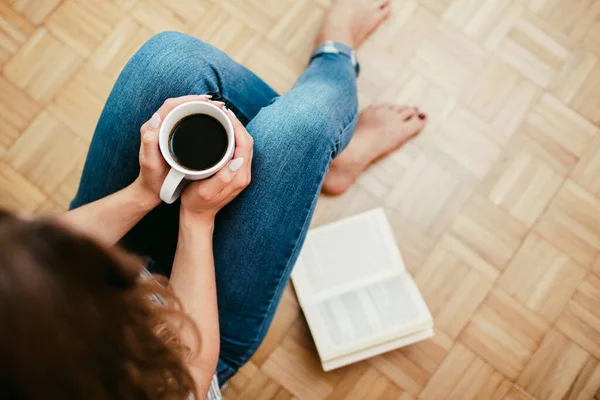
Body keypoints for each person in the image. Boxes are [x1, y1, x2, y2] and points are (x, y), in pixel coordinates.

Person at [0, 0, 427, 398]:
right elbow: (190, 371)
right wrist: (196, 221)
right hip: (190, 342)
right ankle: (335, 59)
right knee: (303, 129)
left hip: (99, 263)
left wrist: (143, 194)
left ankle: (323, 161)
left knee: (169, 62)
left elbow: (41, 245)